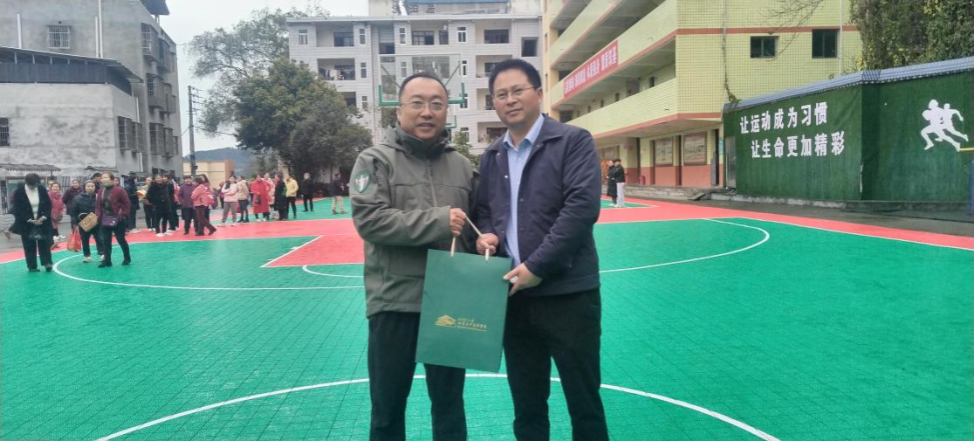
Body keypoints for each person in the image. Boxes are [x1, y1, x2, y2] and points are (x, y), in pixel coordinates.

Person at [475, 59, 608, 440]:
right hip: (514, 297)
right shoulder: (493, 155)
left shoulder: (573, 141)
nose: (510, 100)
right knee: (527, 405)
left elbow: (581, 209)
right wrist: (487, 235)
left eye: (517, 90)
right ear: (494, 103)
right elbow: (485, 210)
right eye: (501, 94)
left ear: (537, 93)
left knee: (583, 401)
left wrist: (537, 266)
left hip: (569, 295)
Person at [350, 72, 476, 441]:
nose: (427, 112)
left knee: (450, 405)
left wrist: (485, 239)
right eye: (417, 103)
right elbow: (370, 221)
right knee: (387, 408)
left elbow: (475, 222)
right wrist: (438, 221)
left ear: (447, 110)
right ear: (399, 110)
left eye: (437, 104)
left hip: (448, 304)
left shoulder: (462, 165)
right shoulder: (375, 161)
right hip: (395, 302)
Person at [11, 173, 54, 272]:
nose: (35, 187)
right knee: (29, 245)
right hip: (26, 223)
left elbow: (48, 204)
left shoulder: (41, 189)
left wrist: (44, 217)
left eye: (36, 184)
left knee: (45, 243)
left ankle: (47, 262)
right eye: (32, 185)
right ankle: (32, 266)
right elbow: (17, 209)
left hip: (42, 222)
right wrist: (29, 219)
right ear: (26, 183)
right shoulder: (19, 192)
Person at [95, 172, 132, 268]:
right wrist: (98, 215)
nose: (103, 179)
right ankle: (107, 261)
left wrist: (123, 215)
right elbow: (98, 205)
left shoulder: (119, 190)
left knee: (121, 240)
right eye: (102, 178)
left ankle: (127, 258)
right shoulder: (101, 191)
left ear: (112, 179)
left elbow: (127, 204)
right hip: (105, 219)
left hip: (118, 220)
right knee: (106, 241)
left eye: (106, 177)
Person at [70, 180, 101, 263]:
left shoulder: (99, 197)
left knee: (99, 238)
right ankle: (87, 256)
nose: (90, 187)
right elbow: (73, 212)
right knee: (85, 239)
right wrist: (74, 223)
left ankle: (102, 254)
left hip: (97, 221)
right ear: (84, 187)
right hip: (84, 222)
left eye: (92, 186)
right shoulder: (78, 198)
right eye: (88, 186)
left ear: (95, 187)